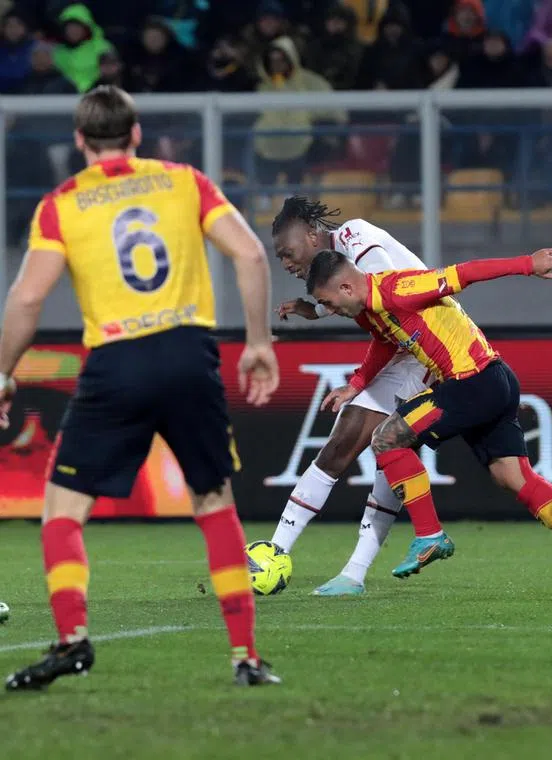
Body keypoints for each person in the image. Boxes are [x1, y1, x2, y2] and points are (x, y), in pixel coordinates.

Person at [0, 86, 281, 690]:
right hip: (187, 352)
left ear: (79, 141)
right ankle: (245, 657)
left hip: (115, 363)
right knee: (213, 501)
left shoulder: (62, 203)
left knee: (63, 510)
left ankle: (72, 640)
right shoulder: (184, 181)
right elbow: (252, 255)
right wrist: (259, 343)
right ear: (136, 134)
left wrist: (3, 374)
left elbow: (26, 297)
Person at [305, 248, 552, 592]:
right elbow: (384, 343)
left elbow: (464, 273)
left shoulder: (399, 289)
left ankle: (429, 535)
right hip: (493, 379)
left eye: (328, 303)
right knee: (511, 475)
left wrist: (527, 264)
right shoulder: (369, 312)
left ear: (346, 288)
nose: (329, 311)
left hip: (473, 380)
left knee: (386, 438)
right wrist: (357, 384)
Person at [266, 197, 433, 596]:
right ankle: (342, 571)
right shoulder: (340, 265)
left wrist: (357, 382)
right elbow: (363, 296)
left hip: (425, 349)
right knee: (379, 454)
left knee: (353, 441)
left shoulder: (356, 237)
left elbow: (389, 306)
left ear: (311, 235)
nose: (286, 264)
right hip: (404, 350)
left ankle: (281, 554)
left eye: (287, 253)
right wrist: (316, 310)